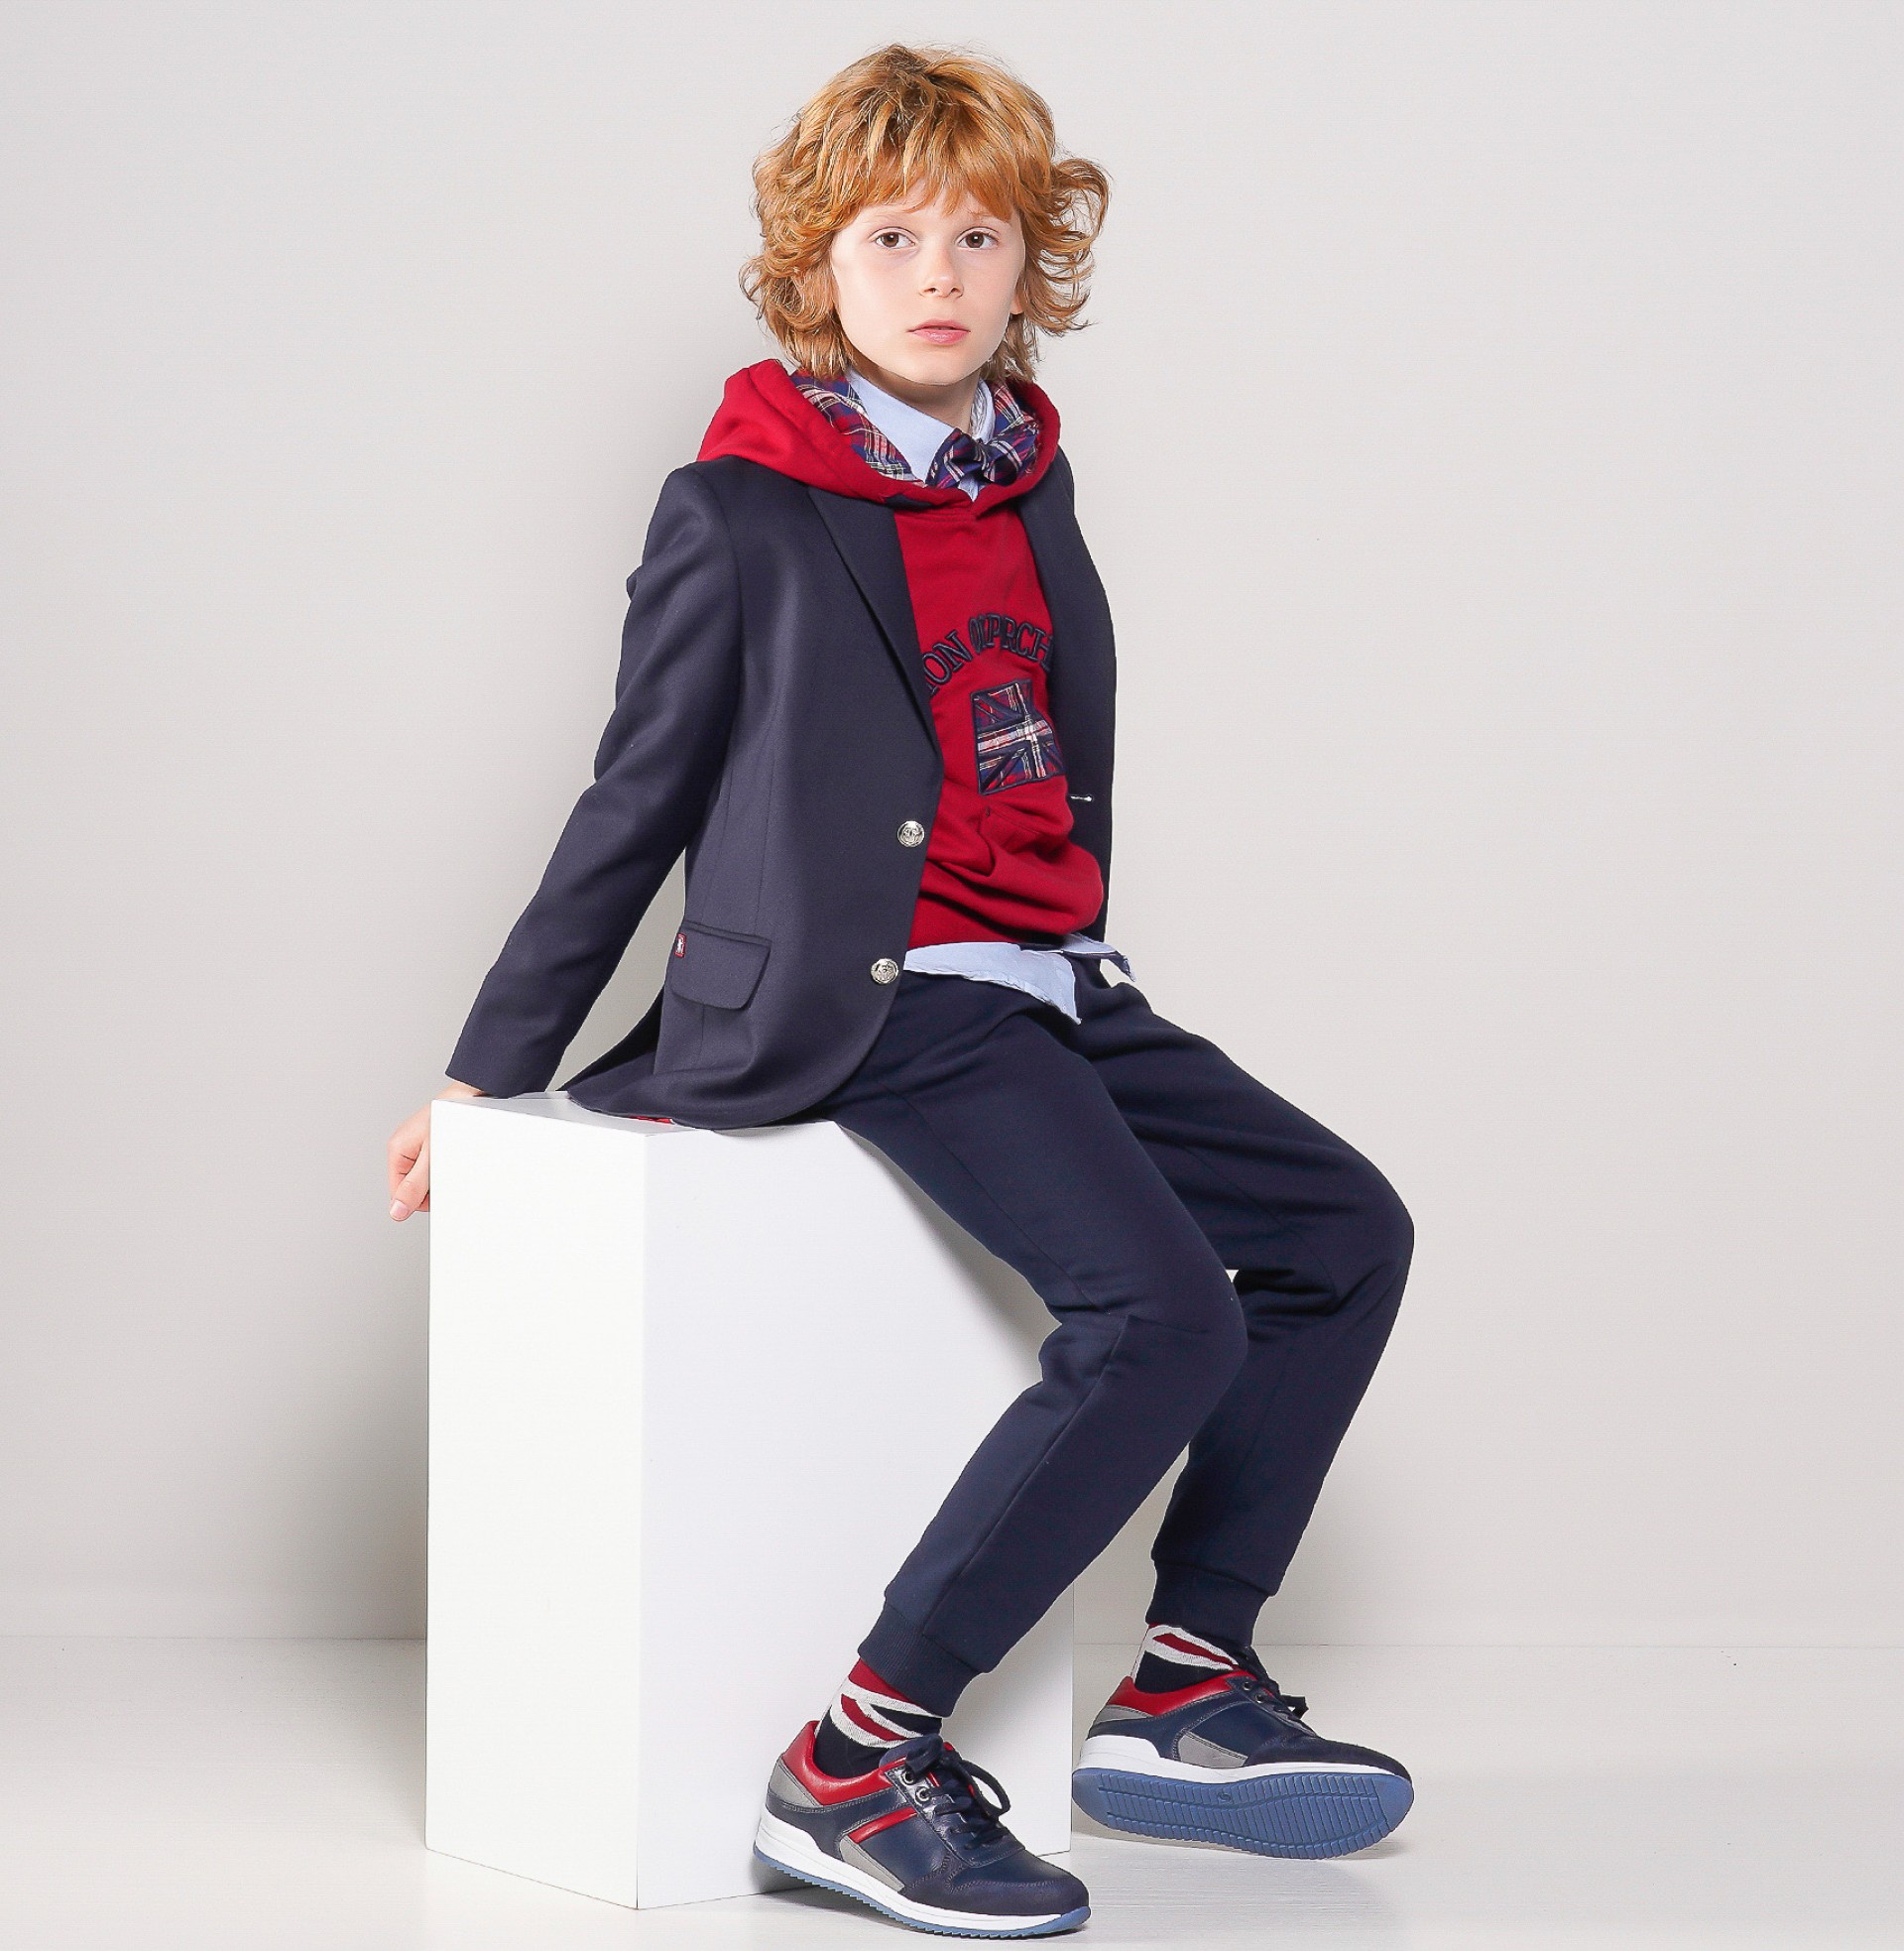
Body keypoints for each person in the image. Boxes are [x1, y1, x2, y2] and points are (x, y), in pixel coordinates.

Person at [387, 43, 1416, 1940]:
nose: (938, 275)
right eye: (890, 238)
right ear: (817, 266)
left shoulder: (1028, 478)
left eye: (979, 237)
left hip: (1049, 977)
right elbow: (634, 798)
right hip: (879, 994)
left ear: (1032, 267)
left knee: (1345, 1230)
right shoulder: (742, 506)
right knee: (1159, 1315)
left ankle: (1186, 1684)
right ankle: (860, 1756)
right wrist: (486, 1074)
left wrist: (1072, 948)